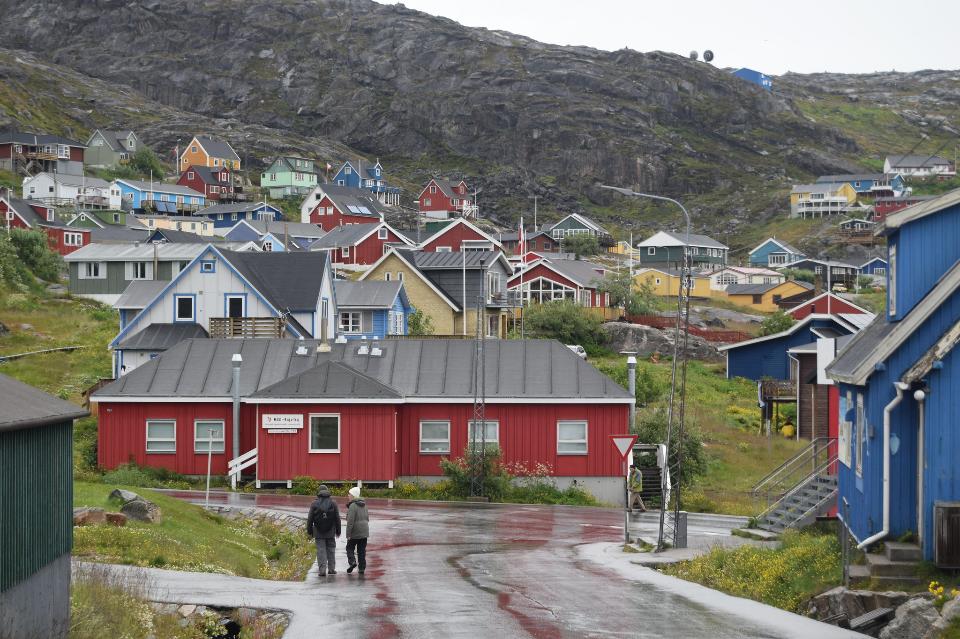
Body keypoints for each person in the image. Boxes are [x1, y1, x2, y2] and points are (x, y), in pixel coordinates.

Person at [307, 484, 341, 577]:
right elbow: (337, 518)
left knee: (321, 550)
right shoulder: (333, 503)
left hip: (318, 532)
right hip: (331, 531)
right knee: (331, 549)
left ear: (318, 493)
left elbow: (310, 519)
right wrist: (338, 531)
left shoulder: (314, 504)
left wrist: (309, 531)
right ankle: (331, 569)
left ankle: (322, 570)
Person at [345, 486, 369, 574]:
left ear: (353, 496)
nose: (348, 496)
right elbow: (367, 518)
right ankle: (362, 567)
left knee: (349, 548)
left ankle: (352, 562)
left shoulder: (353, 506)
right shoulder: (365, 505)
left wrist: (348, 534)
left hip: (355, 531)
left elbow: (350, 522)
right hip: (364, 531)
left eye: (349, 494)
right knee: (361, 550)